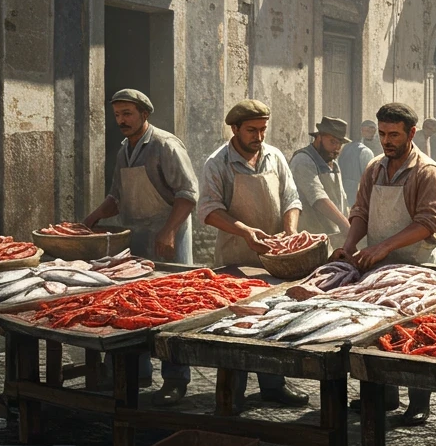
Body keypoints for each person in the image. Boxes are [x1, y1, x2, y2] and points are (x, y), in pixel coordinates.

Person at [336, 102, 436, 426]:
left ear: (411, 133)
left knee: (416, 331)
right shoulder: (374, 168)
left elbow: (430, 222)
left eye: (394, 134)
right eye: (383, 134)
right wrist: (348, 245)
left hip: (419, 264)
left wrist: (385, 245)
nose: (387, 141)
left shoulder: (427, 172)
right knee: (375, 326)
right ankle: (383, 394)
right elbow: (360, 212)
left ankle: (418, 399)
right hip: (380, 266)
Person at [81, 89, 198, 398]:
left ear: (144, 114)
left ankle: (175, 380)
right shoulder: (124, 150)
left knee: (173, 306)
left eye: (128, 114)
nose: (122, 120)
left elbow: (188, 195)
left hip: (168, 237)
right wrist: (90, 220)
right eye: (118, 114)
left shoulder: (165, 145)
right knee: (133, 302)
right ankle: (137, 373)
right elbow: (116, 198)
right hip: (137, 236)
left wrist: (169, 232)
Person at [196, 100, 308, 407]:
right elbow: (208, 210)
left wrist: (290, 232)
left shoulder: (274, 157)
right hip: (236, 259)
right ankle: (232, 391)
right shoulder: (217, 163)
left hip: (273, 258)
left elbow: (291, 198)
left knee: (271, 320)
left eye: (262, 129)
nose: (258, 136)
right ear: (235, 129)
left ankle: (274, 385)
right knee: (238, 326)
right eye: (251, 130)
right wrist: (246, 232)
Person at [291, 116, 353, 252]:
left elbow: (341, 198)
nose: (336, 148)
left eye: (339, 144)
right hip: (310, 238)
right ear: (319, 137)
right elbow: (318, 197)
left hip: (333, 236)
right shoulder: (303, 160)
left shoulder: (334, 164)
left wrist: (350, 223)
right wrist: (344, 224)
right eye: (332, 142)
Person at [339, 122, 377, 208]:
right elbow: (369, 178)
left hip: (343, 190)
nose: (372, 134)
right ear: (362, 131)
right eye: (369, 130)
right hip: (356, 191)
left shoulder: (346, 147)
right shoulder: (366, 152)